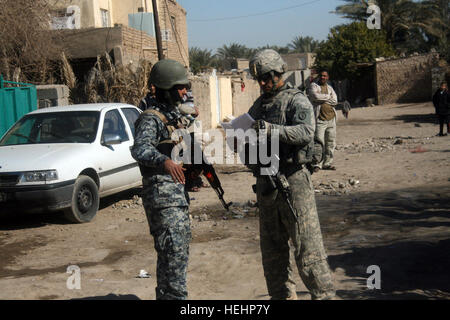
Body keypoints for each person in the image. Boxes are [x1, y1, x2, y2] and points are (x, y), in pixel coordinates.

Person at [245, 49, 335, 300]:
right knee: (273, 255)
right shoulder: (259, 104)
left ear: (278, 74)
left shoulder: (297, 100)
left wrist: (272, 129)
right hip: (266, 185)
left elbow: (306, 131)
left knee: (308, 251)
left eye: (265, 78)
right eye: (259, 79)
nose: (262, 83)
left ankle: (324, 296)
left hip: (293, 183)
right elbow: (248, 130)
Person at [131, 59, 192, 300]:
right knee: (173, 254)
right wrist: (164, 162)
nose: (185, 91)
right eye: (180, 87)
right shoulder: (151, 118)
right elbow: (140, 149)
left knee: (174, 255)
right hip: (162, 199)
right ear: (165, 88)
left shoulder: (172, 115)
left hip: (176, 196)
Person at [308, 70, 338, 171]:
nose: (323, 77)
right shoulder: (313, 86)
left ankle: (327, 163)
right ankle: (317, 164)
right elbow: (315, 96)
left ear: (327, 77)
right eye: (321, 76)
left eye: (325, 76)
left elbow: (335, 101)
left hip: (331, 119)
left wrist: (322, 98)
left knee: (330, 142)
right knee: (319, 143)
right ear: (319, 77)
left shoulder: (330, 88)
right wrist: (328, 97)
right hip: (320, 119)